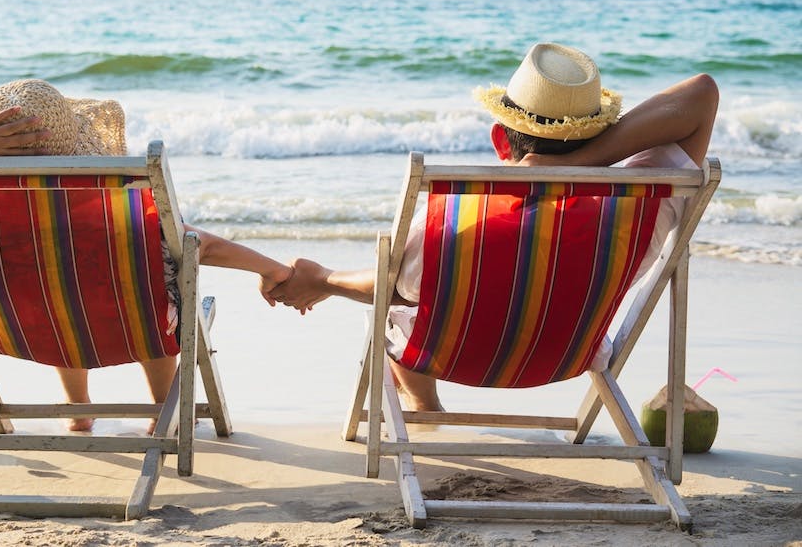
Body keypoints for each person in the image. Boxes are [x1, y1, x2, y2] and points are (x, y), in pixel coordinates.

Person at [269, 42, 719, 413]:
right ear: (597, 135)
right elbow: (701, 92)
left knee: (403, 302)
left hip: (453, 358)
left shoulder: (454, 222)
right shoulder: (643, 209)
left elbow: (389, 285)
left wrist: (324, 279)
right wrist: (581, 166)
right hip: (565, 359)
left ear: (500, 138)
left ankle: (424, 404)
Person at [0, 79, 292, 433]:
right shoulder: (109, 204)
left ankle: (78, 412)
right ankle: (163, 408)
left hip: (22, 327)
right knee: (144, 279)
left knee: (42, 280)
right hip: (124, 321)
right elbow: (199, 245)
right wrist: (273, 270)